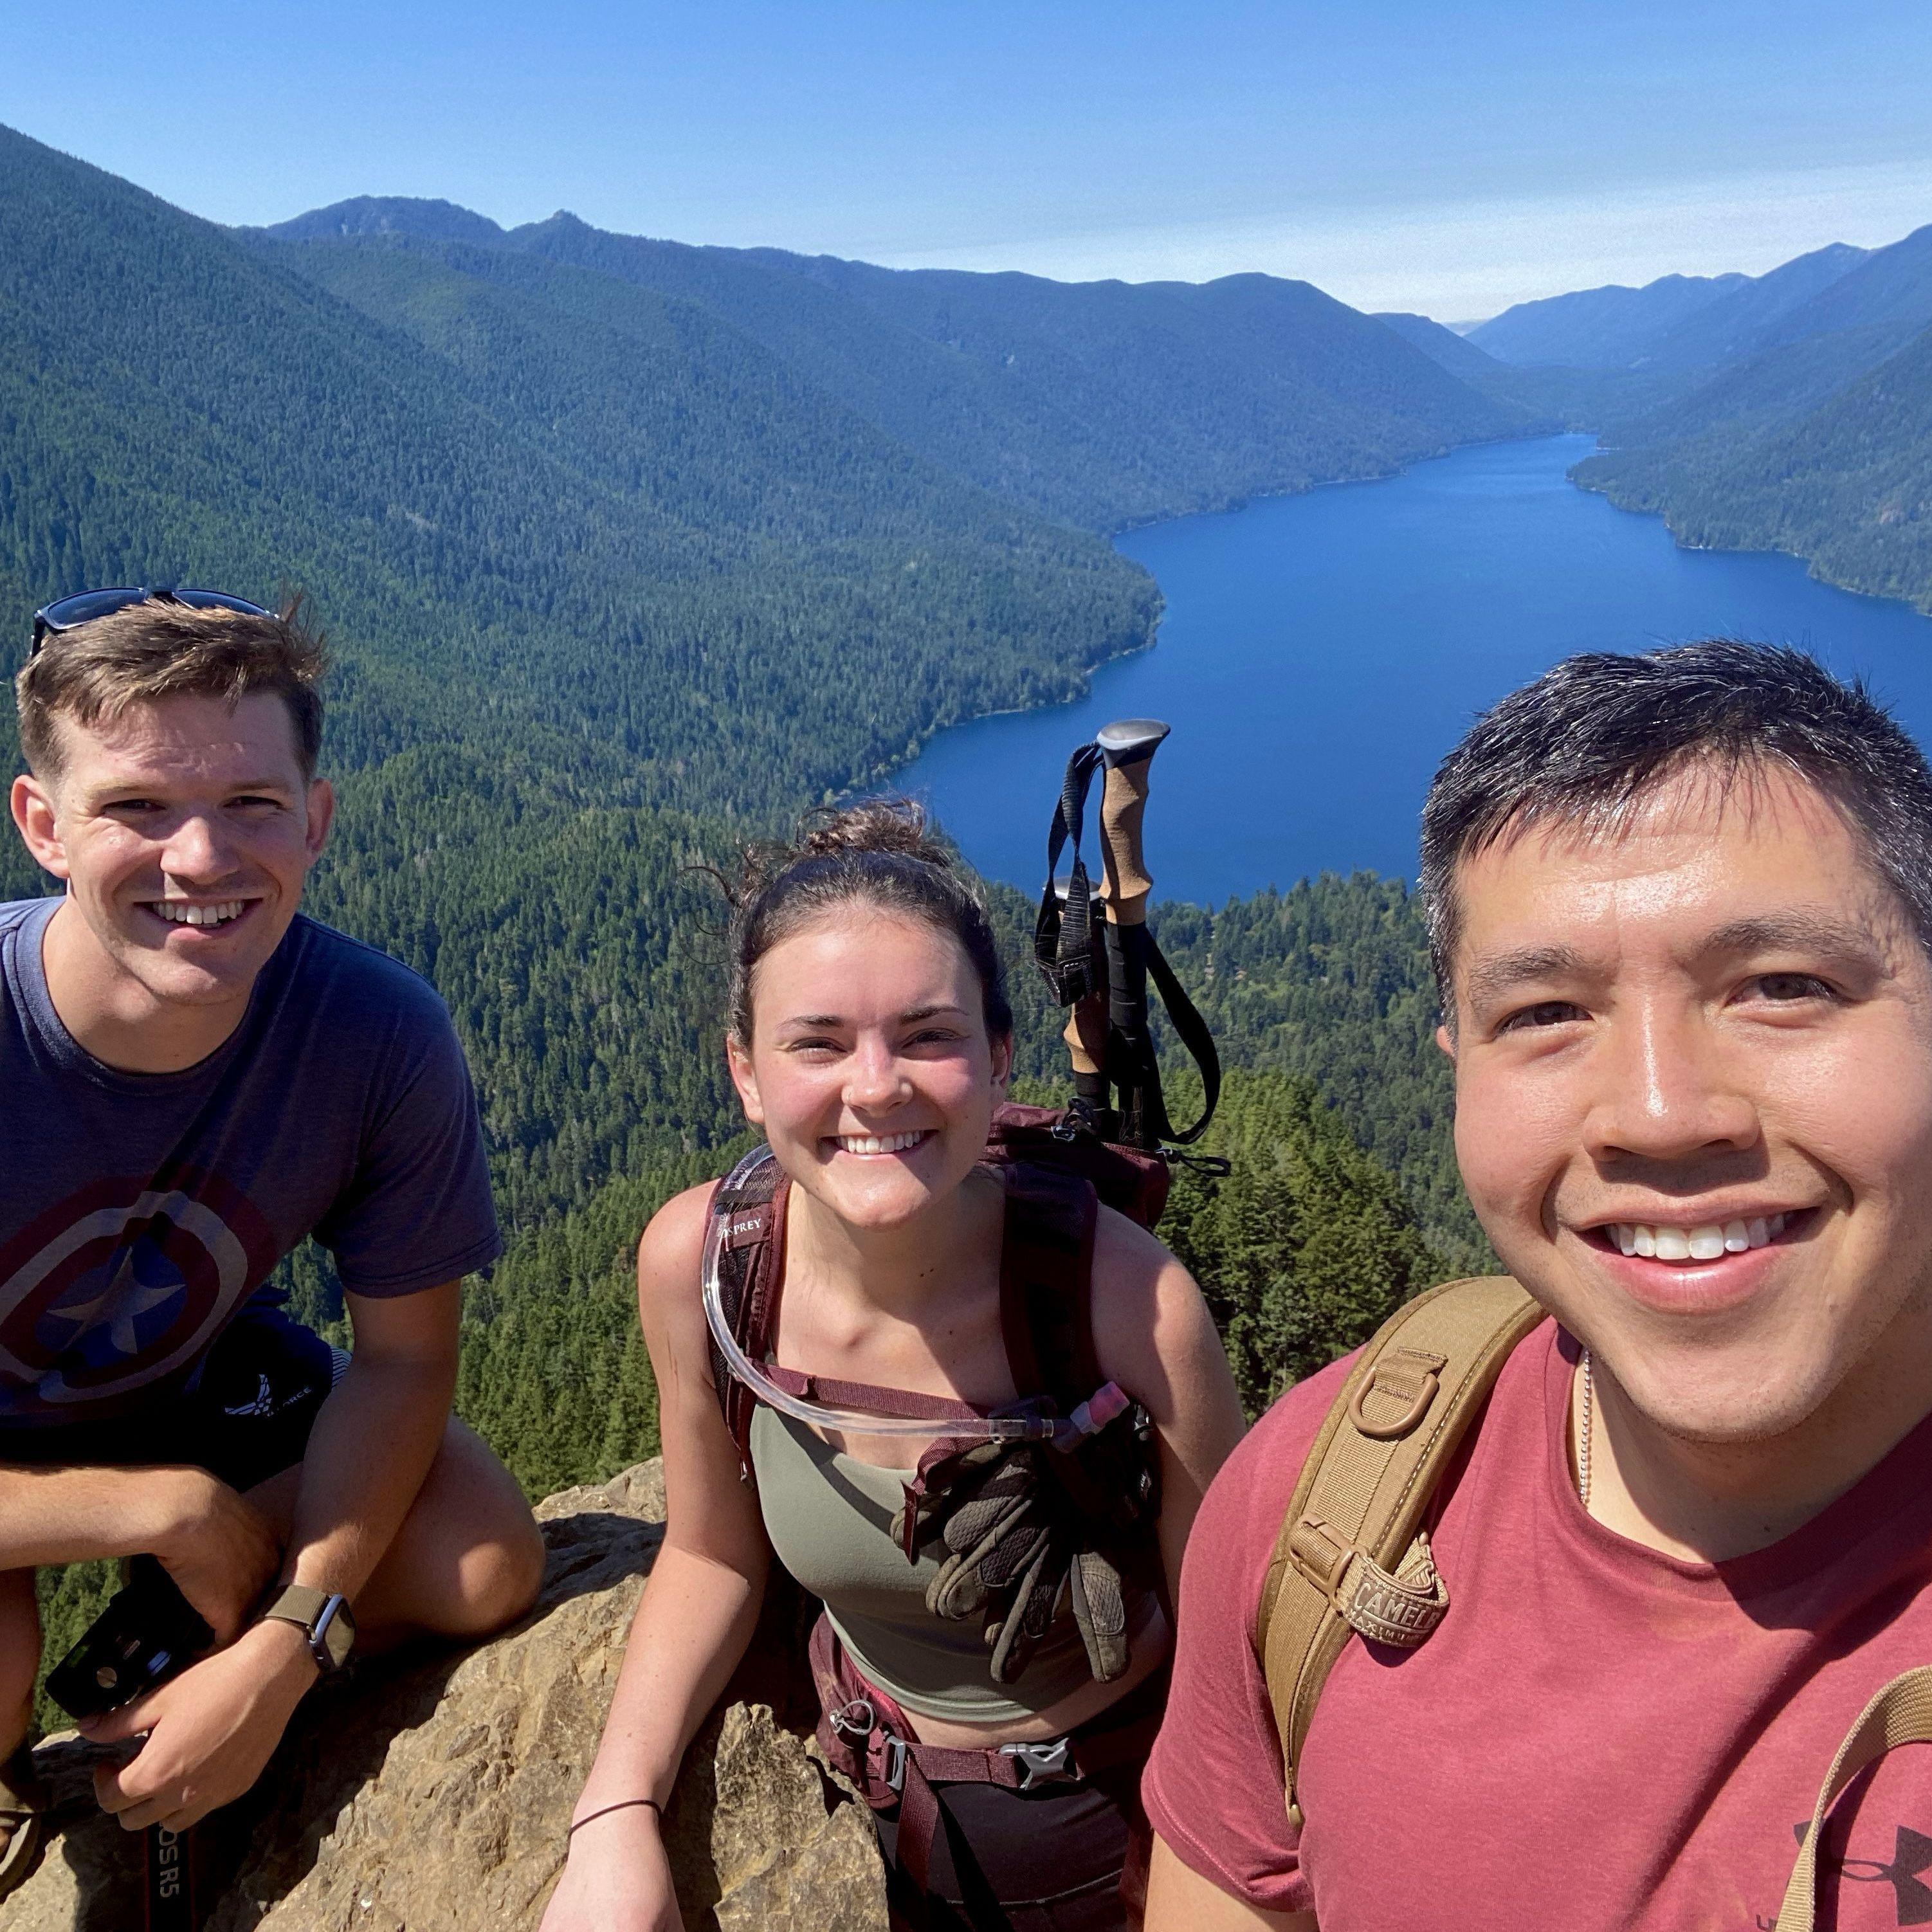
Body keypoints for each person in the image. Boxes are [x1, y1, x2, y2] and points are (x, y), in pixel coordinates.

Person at [1142, 639, 1932, 1930]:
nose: (1660, 1113)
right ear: (1456, 1056)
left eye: (1781, 986)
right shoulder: (1326, 1502)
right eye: (1546, 1011)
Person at [542, 803, 1246, 1931]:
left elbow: (1237, 1644)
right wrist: (617, 1811)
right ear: (746, 1074)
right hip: (857, 1781)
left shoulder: (1125, 1303)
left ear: (1000, 1056)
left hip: (1110, 1827)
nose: (876, 1086)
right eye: (817, 1044)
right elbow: (709, 1553)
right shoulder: (712, 1271)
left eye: (928, 1036)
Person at [0, 589, 545, 1897]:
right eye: (137, 805)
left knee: (476, 1553)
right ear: (43, 825)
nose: (200, 858)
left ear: (315, 818)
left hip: (191, 1384)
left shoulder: (374, 1035)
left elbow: (403, 1366)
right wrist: (149, 1508)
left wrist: (291, 1636)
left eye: (250, 803)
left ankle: (201, 1641)